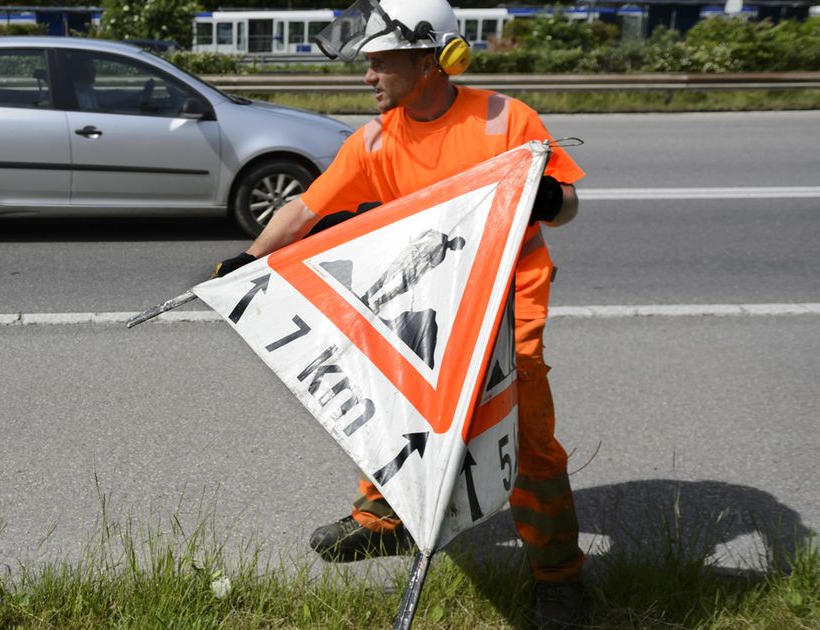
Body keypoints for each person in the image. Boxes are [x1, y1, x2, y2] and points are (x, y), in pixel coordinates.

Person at [211, 0, 586, 627]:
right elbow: (306, 209)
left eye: (381, 63)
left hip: (504, 308)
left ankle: (561, 579)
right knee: (398, 404)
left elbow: (568, 204)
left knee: (524, 443)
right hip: (422, 304)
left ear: (434, 60)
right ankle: (384, 516)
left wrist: (548, 197)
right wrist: (246, 259)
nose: (368, 78)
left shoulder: (504, 118)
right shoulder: (377, 138)